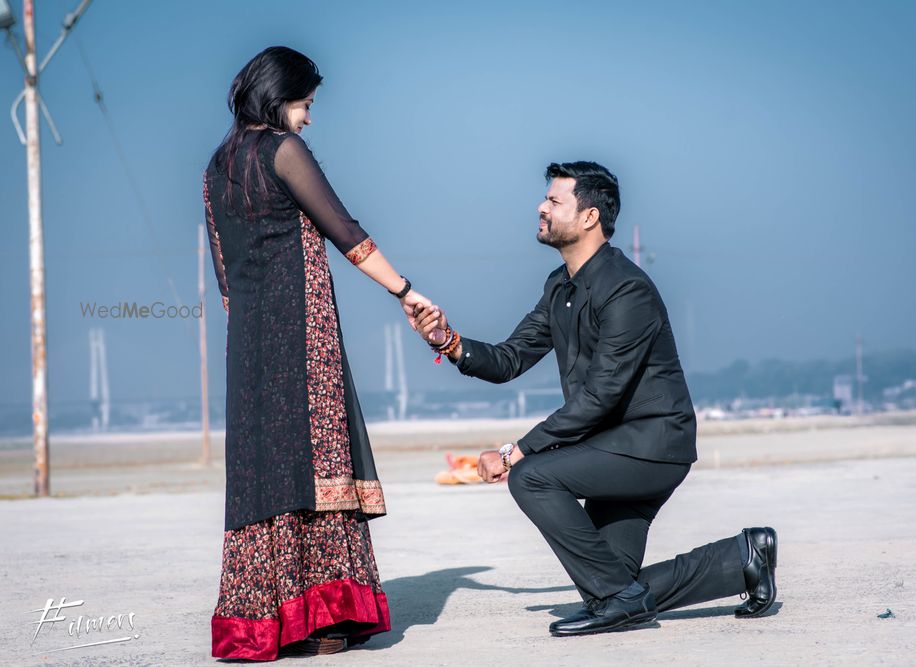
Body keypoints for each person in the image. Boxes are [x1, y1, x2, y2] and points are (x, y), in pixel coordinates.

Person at [414, 161, 778, 636]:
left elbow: (601, 395)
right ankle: (743, 558)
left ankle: (620, 599)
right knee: (611, 585)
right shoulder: (559, 286)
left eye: (554, 200)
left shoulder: (626, 289)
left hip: (652, 446)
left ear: (589, 217)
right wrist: (448, 341)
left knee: (531, 477)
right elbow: (509, 359)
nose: (541, 207)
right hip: (610, 447)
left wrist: (514, 452)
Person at [202, 46, 436, 660]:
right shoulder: (283, 150)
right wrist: (405, 291)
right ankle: (327, 617)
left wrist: (253, 332)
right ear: (279, 99)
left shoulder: (215, 167)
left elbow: (225, 275)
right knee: (318, 463)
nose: (308, 118)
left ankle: (266, 621)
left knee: (266, 471)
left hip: (248, 344)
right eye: (305, 104)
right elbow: (347, 233)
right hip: (304, 333)